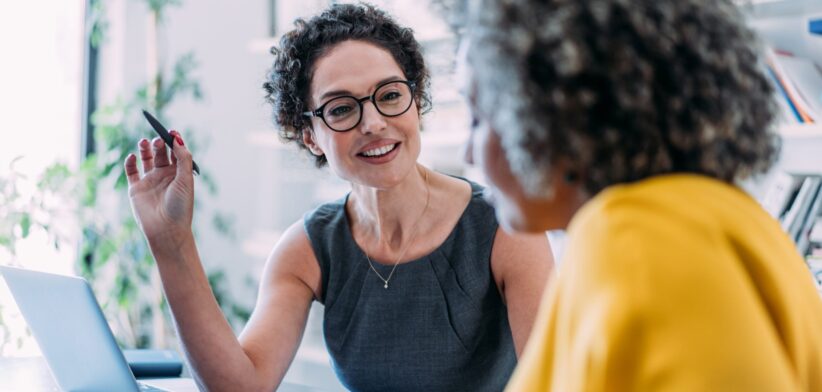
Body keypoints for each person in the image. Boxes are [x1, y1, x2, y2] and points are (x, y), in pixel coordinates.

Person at [123, 3, 553, 391]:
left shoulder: (506, 229)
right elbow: (240, 388)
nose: (373, 123)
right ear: (310, 136)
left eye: (389, 96)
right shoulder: (308, 248)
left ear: (416, 102)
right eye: (342, 108)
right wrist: (170, 240)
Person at [458, 0, 822, 390]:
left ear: (550, 115)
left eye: (479, 118)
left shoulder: (636, 240)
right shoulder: (723, 215)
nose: (467, 154)